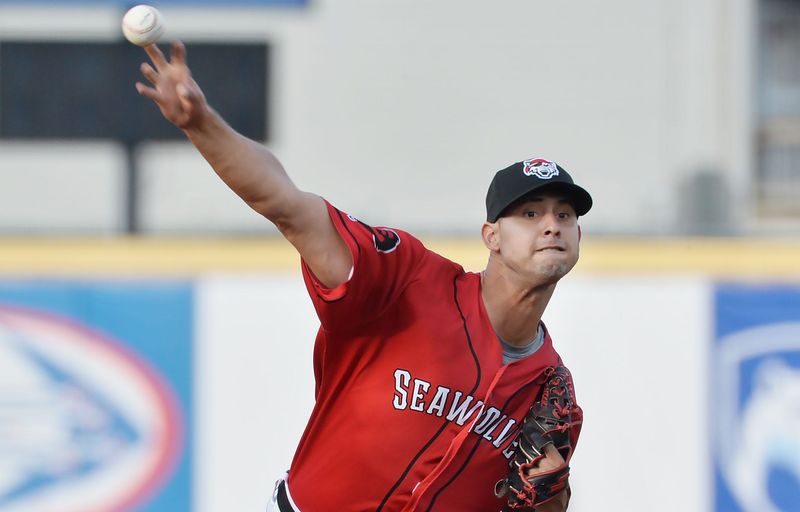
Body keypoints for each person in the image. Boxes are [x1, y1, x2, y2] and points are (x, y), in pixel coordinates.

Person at [136, 41, 591, 512]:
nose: (551, 225)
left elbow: (540, 506)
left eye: (565, 214)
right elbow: (288, 206)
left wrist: (552, 490)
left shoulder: (549, 391)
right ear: (491, 236)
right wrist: (201, 122)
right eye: (531, 212)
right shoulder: (407, 282)